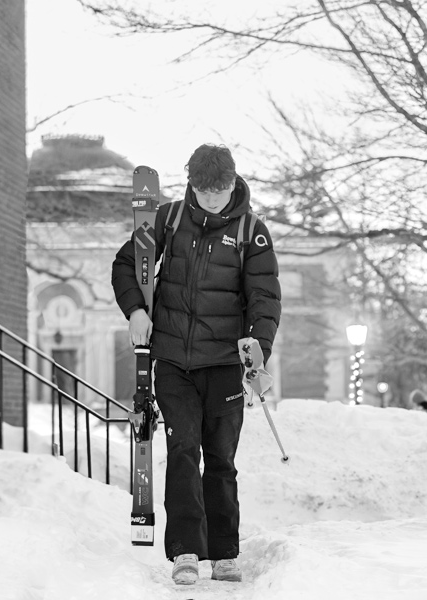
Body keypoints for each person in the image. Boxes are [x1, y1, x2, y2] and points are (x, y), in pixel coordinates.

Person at [111, 144, 281, 586]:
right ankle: (185, 550)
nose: (211, 199)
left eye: (218, 191)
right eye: (203, 191)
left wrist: (259, 346)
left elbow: (265, 298)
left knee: (221, 459)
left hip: (223, 364)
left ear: (232, 183)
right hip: (173, 361)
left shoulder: (252, 232)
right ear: (191, 184)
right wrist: (135, 311)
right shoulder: (166, 220)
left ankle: (224, 553)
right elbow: (126, 264)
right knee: (183, 452)